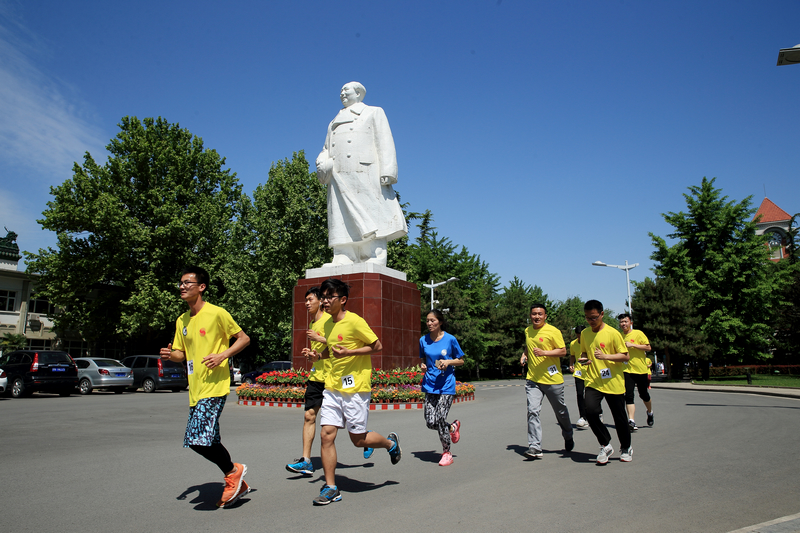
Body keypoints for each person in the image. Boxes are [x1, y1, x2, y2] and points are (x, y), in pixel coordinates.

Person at [302, 278, 401, 505]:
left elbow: (377, 346)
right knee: (327, 434)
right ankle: (331, 487)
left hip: (355, 388)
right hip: (333, 386)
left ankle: (389, 444)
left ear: (343, 300)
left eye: (329, 297)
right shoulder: (327, 324)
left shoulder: (355, 321)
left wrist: (350, 352)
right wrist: (317, 356)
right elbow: (329, 351)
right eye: (323, 297)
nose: (325, 301)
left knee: (358, 440)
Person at [160, 266, 251, 508]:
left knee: (197, 439)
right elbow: (182, 353)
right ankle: (237, 480)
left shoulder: (217, 313)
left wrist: (223, 355)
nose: (182, 286)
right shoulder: (182, 320)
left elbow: (243, 338)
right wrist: (171, 355)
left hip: (215, 386)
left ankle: (233, 471)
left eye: (188, 282)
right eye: (180, 282)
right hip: (196, 388)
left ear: (201, 287)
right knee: (209, 440)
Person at [315, 82, 408, 266]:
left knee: (372, 212)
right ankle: (343, 255)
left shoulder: (373, 112)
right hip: (339, 173)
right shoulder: (333, 122)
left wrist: (388, 170)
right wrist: (321, 162)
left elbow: (385, 141)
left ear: (358, 93)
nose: (342, 93)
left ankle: (373, 254)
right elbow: (326, 147)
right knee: (340, 215)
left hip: (366, 171)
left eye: (345, 90)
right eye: (340, 90)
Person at [579, 300, 631, 464]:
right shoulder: (586, 334)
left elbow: (625, 356)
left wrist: (606, 356)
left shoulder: (612, 333)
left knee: (619, 418)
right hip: (593, 380)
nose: (591, 321)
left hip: (613, 382)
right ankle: (605, 444)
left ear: (602, 314)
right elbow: (586, 353)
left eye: (594, 317)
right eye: (587, 318)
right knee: (591, 411)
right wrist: (584, 359)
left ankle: (626, 447)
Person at [286, 287, 331, 476]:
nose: (306, 303)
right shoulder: (313, 323)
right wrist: (312, 355)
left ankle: (365, 437)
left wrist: (319, 337)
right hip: (316, 377)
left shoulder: (330, 320)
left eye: (310, 299)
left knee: (348, 422)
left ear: (321, 301)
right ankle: (306, 461)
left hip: (332, 378)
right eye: (305, 300)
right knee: (309, 416)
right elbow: (320, 354)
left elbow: (341, 343)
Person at [519, 304, 573, 459]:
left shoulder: (553, 331)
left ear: (545, 316)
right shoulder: (528, 331)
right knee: (532, 411)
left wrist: (545, 353)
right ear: (530, 316)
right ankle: (535, 447)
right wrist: (525, 355)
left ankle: (568, 434)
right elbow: (529, 347)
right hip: (533, 380)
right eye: (534, 314)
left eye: (540, 314)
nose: (537, 317)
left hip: (552, 379)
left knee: (560, 411)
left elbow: (562, 351)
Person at [419, 309, 465, 466]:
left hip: (446, 385)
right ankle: (452, 427)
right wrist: (423, 366)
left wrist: (449, 362)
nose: (429, 323)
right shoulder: (423, 340)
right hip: (429, 384)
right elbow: (423, 360)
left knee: (439, 418)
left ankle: (447, 452)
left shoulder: (450, 339)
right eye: (427, 321)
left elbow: (461, 360)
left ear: (440, 322)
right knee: (430, 422)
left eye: (433, 321)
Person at [617, 313, 654, 429]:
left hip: (640, 369)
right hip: (627, 369)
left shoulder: (638, 334)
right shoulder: (619, 336)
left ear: (630, 323)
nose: (623, 324)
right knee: (628, 395)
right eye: (621, 322)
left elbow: (648, 347)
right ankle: (631, 421)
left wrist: (633, 345)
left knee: (643, 394)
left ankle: (650, 412)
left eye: (625, 322)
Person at [568, 325, 589, 428]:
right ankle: (583, 417)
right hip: (579, 372)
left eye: (581, 335)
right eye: (578, 335)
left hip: (590, 372)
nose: (580, 338)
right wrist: (571, 364)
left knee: (591, 396)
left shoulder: (590, 342)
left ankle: (598, 412)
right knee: (580, 394)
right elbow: (572, 355)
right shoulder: (573, 344)